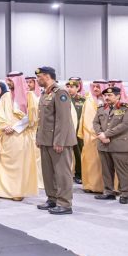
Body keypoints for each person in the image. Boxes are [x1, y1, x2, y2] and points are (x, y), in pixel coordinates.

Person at [0, 73, 39, 201]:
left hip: (21, 135)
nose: (8, 83)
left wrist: (15, 127)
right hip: (5, 134)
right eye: (8, 80)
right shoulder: (5, 96)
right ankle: (3, 191)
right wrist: (5, 126)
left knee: (19, 166)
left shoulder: (30, 95)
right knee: (4, 161)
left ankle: (17, 192)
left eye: (10, 80)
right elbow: (0, 115)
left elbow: (32, 116)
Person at [35, 66, 77, 215]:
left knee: (62, 173)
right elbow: (42, 119)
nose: (37, 80)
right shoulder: (45, 93)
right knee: (48, 173)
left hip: (59, 141)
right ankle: (52, 199)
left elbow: (63, 119)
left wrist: (59, 141)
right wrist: (39, 137)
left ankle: (65, 204)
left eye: (39, 77)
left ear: (47, 76)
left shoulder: (60, 92)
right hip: (46, 140)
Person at [93, 86, 128, 205]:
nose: (106, 97)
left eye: (110, 95)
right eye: (105, 95)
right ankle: (109, 192)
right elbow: (95, 122)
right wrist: (100, 134)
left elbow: (125, 125)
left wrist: (106, 134)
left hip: (119, 144)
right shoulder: (101, 108)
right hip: (103, 144)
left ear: (118, 96)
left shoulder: (125, 108)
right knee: (106, 170)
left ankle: (125, 193)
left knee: (122, 170)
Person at [80, 80, 107, 193]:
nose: (95, 89)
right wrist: (99, 134)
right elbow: (88, 121)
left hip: (107, 136)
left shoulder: (108, 100)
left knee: (105, 163)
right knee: (92, 162)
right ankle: (91, 186)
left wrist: (106, 134)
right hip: (91, 136)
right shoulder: (89, 101)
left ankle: (106, 187)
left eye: (98, 87)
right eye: (94, 86)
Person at [66, 78, 86, 184]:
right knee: (66, 154)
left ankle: (79, 174)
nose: (69, 89)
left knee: (78, 153)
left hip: (78, 131)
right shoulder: (63, 98)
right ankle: (67, 173)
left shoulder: (83, 100)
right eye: (68, 87)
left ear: (78, 88)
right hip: (66, 130)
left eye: (72, 87)